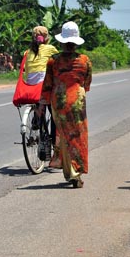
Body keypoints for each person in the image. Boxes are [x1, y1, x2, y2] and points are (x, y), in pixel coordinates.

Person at [40, 21, 92, 188]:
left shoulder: (52, 61)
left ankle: (70, 172)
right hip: (77, 101)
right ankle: (76, 173)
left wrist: (42, 105)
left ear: (62, 42)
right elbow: (87, 83)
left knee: (63, 136)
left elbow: (47, 85)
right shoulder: (85, 60)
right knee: (78, 136)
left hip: (59, 103)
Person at [25, 26, 59, 163]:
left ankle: (36, 119)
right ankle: (54, 143)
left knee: (40, 102)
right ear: (47, 38)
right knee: (54, 112)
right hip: (44, 86)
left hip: (31, 85)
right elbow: (58, 63)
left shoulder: (27, 52)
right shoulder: (50, 49)